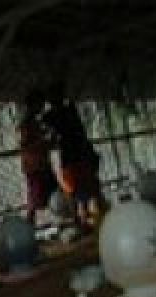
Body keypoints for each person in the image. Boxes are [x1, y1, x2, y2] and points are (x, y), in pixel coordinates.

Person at [42, 86, 103, 231]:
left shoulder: (53, 116)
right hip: (79, 156)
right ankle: (92, 220)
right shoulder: (69, 111)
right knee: (85, 189)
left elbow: (48, 132)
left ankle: (85, 221)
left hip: (74, 157)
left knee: (80, 191)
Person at [18, 90, 54, 224]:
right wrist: (44, 142)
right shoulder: (26, 123)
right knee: (35, 198)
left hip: (41, 163)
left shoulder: (34, 122)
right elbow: (27, 145)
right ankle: (28, 228)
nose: (42, 106)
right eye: (40, 103)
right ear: (32, 104)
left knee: (50, 194)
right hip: (35, 165)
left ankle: (67, 219)